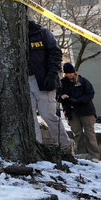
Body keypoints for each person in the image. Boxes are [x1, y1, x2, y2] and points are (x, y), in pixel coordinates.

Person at [28, 20, 68, 148]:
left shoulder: (42, 33)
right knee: (30, 116)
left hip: (42, 79)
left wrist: (52, 75)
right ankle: (36, 146)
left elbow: (55, 53)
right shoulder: (13, 35)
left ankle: (65, 145)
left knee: (48, 114)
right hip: (24, 80)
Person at [59, 63, 101, 160]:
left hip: (86, 110)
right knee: (77, 133)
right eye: (67, 73)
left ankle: (94, 155)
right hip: (71, 111)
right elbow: (57, 95)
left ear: (74, 72)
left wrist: (78, 100)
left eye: (70, 73)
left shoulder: (83, 81)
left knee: (89, 132)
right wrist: (61, 97)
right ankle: (81, 154)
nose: (69, 75)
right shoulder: (62, 83)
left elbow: (90, 94)